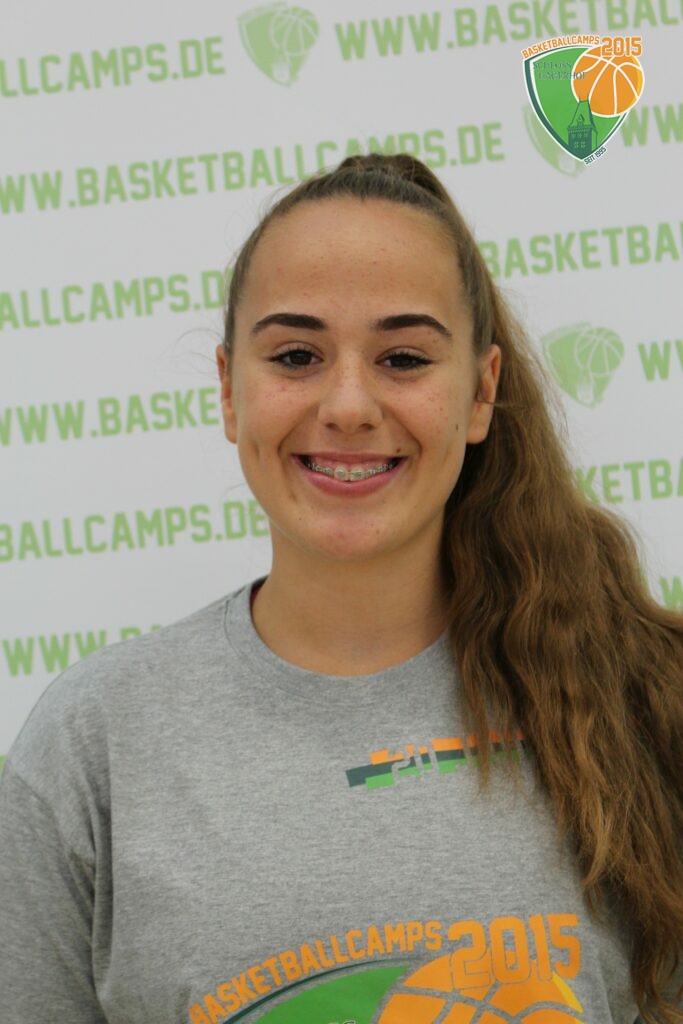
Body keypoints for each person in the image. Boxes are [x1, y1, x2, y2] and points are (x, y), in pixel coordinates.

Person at [0, 154, 681, 1024]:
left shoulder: (642, 699)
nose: (349, 405)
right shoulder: (94, 742)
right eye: (296, 355)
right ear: (229, 390)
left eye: (402, 358)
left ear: (480, 393)